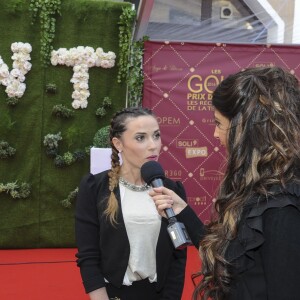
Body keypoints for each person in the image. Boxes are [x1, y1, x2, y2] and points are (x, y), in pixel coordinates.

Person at [149, 66, 300, 300]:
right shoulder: (260, 188)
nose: (215, 135)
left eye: (219, 123)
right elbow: (231, 258)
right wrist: (181, 210)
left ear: (246, 128)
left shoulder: (283, 207)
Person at [75, 106, 187, 300]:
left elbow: (178, 256)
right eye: (140, 137)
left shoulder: (172, 191)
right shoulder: (95, 188)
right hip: (113, 294)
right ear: (118, 143)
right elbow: (88, 255)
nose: (153, 145)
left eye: (157, 135)